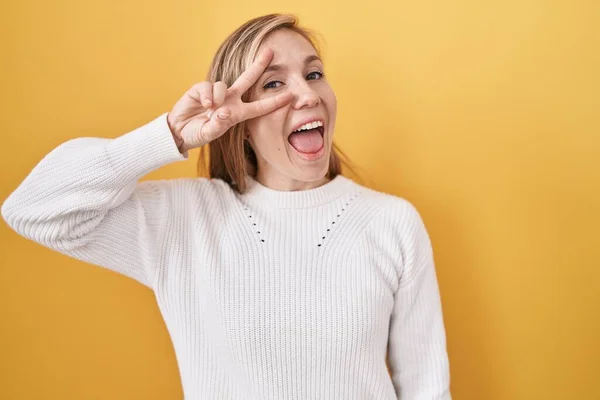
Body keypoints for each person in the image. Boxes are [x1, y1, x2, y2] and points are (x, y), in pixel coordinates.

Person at [2, 13, 451, 400]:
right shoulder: (185, 222)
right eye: (274, 84)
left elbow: (427, 388)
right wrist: (171, 136)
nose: (308, 95)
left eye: (313, 74)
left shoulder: (392, 223)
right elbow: (34, 208)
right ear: (239, 119)